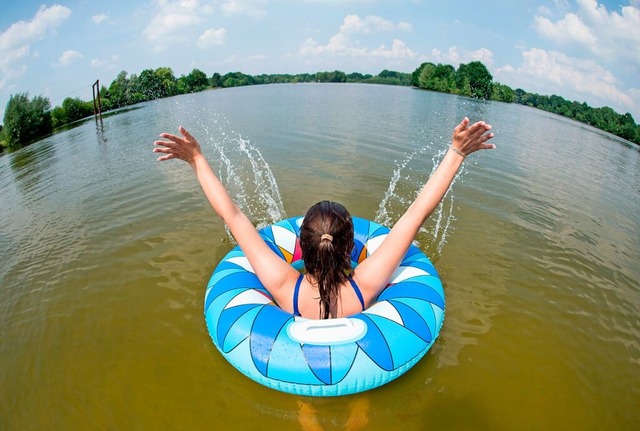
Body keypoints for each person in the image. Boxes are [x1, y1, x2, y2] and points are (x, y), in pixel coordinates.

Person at [153, 117, 495, 319]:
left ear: (301, 247)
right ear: (351, 247)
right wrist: (457, 152)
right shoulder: (366, 285)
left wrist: (197, 159)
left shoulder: (285, 286)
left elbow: (232, 214)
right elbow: (417, 212)